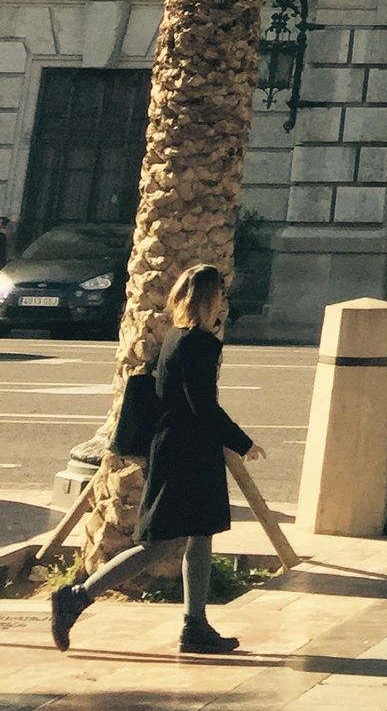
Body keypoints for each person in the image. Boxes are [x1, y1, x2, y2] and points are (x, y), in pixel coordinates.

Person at [51, 263, 262, 656]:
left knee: (199, 536)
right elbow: (202, 405)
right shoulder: (199, 344)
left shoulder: (176, 337)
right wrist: (242, 442)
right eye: (218, 295)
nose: (222, 301)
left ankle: (195, 625)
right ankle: (76, 597)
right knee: (158, 544)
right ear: (210, 299)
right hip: (186, 456)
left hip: (177, 450)